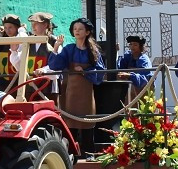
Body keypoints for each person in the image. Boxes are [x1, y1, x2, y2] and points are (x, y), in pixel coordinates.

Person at [40, 18, 105, 153]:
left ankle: (89, 153)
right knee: (70, 123)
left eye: (80, 29)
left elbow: (100, 72)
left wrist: (85, 72)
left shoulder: (93, 51)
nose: (77, 31)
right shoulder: (69, 49)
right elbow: (54, 65)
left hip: (86, 92)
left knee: (87, 123)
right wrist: (57, 46)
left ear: (87, 32)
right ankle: (71, 155)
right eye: (75, 29)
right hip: (69, 91)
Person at [12, 12, 62, 102]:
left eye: (36, 24)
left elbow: (57, 67)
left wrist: (44, 70)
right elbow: (19, 66)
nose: (33, 27)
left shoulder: (54, 41)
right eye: (32, 24)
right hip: (29, 87)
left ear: (45, 25)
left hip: (48, 89)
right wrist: (14, 52)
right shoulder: (28, 41)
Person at [0, 14, 28, 92]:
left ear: (17, 28)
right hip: (2, 81)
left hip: (18, 81)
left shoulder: (22, 36)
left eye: (10, 27)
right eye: (5, 28)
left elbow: (21, 44)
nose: (8, 30)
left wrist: (21, 31)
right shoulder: (1, 39)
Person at [117, 34, 152, 102]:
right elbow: (119, 69)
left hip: (143, 90)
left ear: (140, 46)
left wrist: (130, 75)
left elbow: (144, 79)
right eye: (131, 44)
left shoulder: (144, 60)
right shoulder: (127, 57)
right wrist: (115, 52)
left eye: (135, 45)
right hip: (129, 91)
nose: (132, 47)